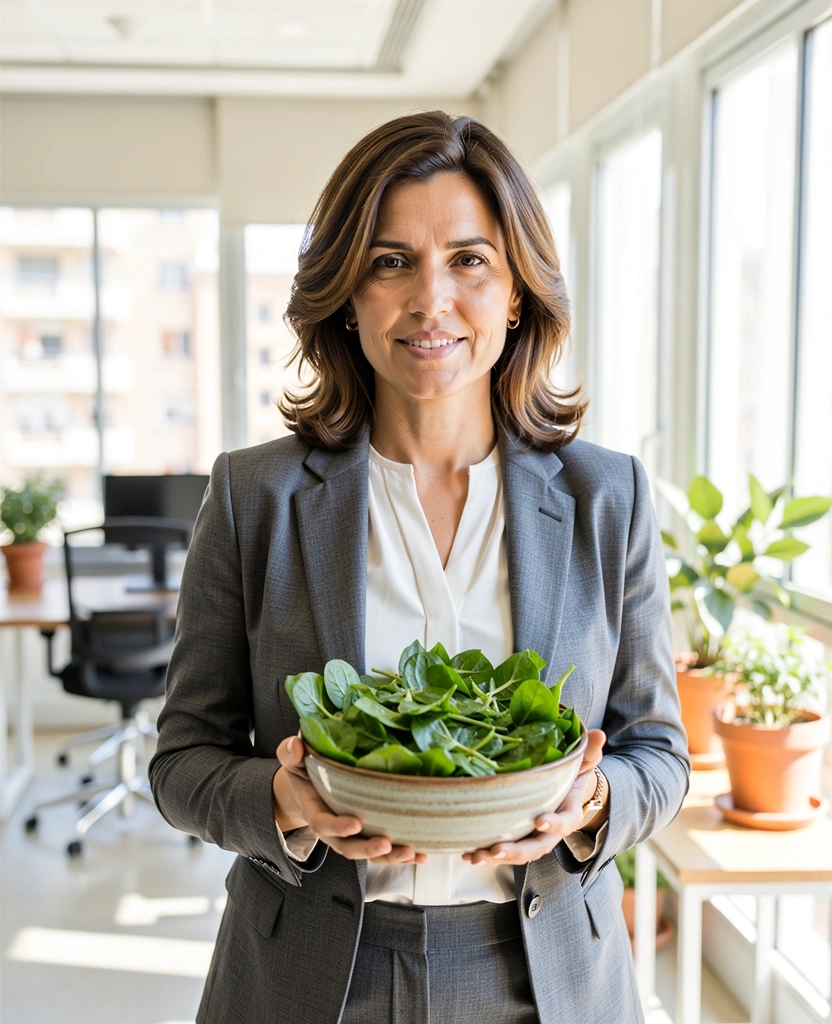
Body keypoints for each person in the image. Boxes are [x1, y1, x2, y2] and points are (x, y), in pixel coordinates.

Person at [149, 110, 690, 1024]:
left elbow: (661, 754)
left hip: (548, 978)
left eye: (469, 260)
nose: (430, 300)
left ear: (516, 292)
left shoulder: (610, 498)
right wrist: (281, 799)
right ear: (347, 295)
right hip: (309, 977)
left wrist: (595, 798)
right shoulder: (253, 497)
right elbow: (181, 763)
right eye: (391, 261)